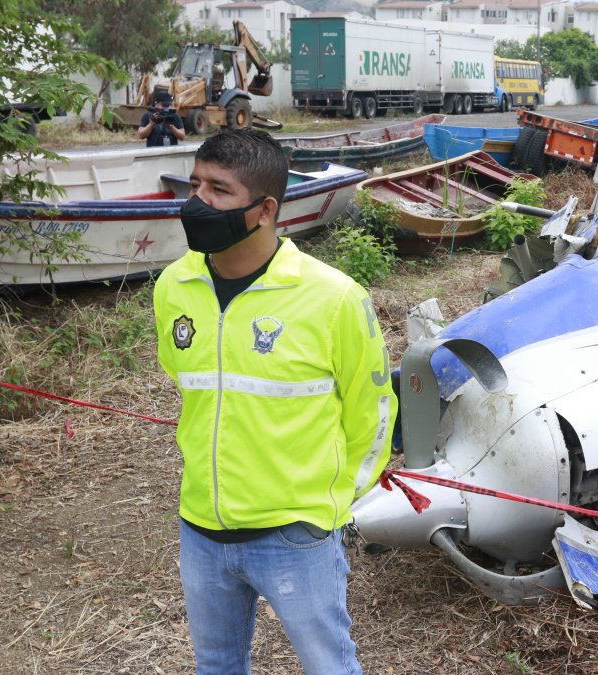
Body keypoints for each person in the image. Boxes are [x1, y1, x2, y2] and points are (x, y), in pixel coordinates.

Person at [153, 128, 396, 674]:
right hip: (201, 531)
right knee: (216, 666)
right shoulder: (173, 287)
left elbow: (374, 414)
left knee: (328, 667)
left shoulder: (333, 299)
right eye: (194, 184)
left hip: (294, 534)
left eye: (218, 189)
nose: (197, 201)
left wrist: (326, 508)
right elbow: (189, 386)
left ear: (264, 210)